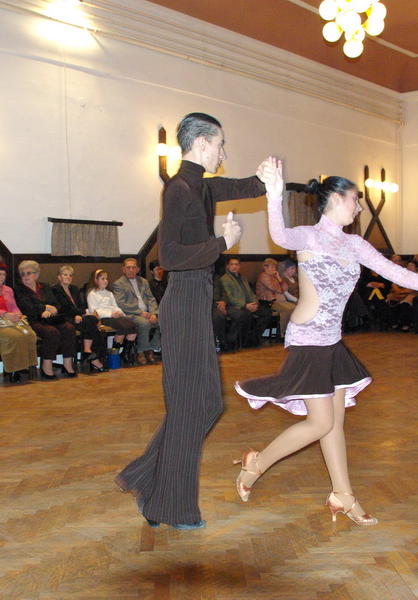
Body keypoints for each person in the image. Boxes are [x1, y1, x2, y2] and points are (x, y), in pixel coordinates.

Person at [233, 162, 418, 524]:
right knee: (320, 423)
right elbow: (279, 234)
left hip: (332, 341)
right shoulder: (309, 236)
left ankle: (343, 495)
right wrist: (273, 193)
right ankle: (256, 464)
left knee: (334, 423)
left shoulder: (354, 244)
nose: (359, 206)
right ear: (334, 198)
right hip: (308, 339)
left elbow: (396, 272)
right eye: (355, 199)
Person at [115, 112, 271, 529]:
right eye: (220, 144)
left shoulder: (202, 185)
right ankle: (169, 506)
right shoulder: (179, 188)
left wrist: (269, 177)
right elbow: (169, 256)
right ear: (201, 143)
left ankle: (144, 477)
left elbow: (244, 186)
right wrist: (223, 243)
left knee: (208, 403)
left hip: (197, 300)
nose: (224, 152)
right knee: (189, 405)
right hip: (183, 299)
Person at [14, 260, 77, 379]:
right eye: (23, 274)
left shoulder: (45, 286)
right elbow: (27, 308)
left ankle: (67, 364)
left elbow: (57, 304)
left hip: (50, 319)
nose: (26, 276)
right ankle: (46, 366)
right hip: (32, 320)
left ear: (37, 274)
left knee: (69, 328)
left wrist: (51, 310)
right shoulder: (19, 290)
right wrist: (45, 307)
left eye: (29, 273)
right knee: (51, 332)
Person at [52, 265, 107, 372]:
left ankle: (87, 351)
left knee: (92, 321)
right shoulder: (55, 290)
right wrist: (75, 316)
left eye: (70, 275)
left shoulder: (74, 289)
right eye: (65, 275)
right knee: (92, 324)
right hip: (65, 318)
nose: (68, 277)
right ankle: (94, 356)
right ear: (59, 277)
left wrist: (81, 314)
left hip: (79, 317)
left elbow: (82, 305)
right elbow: (63, 307)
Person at [112, 258, 161, 365]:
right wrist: (140, 312)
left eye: (133, 267)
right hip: (131, 314)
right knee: (144, 323)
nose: (131, 270)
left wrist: (154, 313)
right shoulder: (119, 283)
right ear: (123, 269)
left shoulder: (143, 282)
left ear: (137, 269)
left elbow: (151, 299)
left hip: (147, 312)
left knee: (162, 321)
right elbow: (121, 303)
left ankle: (152, 348)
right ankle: (141, 351)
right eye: (128, 267)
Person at [86, 268, 138, 363]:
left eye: (106, 278)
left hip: (114, 315)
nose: (105, 281)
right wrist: (110, 314)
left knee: (133, 327)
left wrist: (119, 312)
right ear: (96, 280)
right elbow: (94, 310)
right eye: (102, 279)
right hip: (104, 317)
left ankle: (125, 352)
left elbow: (114, 305)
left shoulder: (109, 293)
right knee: (121, 328)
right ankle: (114, 352)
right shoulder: (92, 294)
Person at [219, 256, 272, 347]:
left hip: (250, 304)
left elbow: (251, 292)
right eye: (232, 264)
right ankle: (243, 340)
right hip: (236, 306)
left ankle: (254, 337)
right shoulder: (225, 279)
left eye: (236, 264)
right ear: (227, 266)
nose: (234, 266)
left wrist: (255, 303)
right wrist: (245, 305)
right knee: (247, 314)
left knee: (267, 312)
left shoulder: (243, 278)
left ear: (240, 266)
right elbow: (229, 297)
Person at [255, 257, 296, 335]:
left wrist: (278, 277)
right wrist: (281, 289)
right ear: (265, 268)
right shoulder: (263, 276)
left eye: (275, 267)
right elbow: (273, 287)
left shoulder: (274, 277)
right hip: (269, 301)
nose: (274, 269)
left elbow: (286, 288)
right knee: (287, 309)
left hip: (280, 300)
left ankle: (288, 331)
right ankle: (282, 332)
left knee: (294, 308)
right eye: (272, 267)